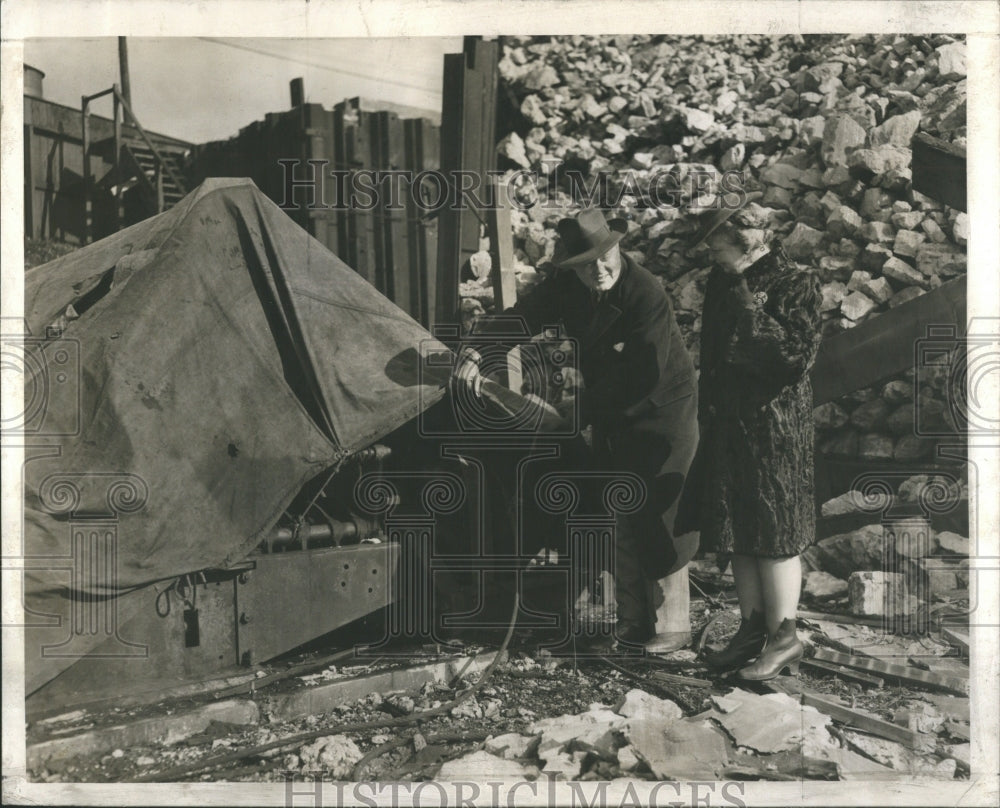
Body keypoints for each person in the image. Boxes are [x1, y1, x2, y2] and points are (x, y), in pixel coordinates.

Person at [453, 208, 699, 648]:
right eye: (585, 266)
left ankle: (671, 625)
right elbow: (524, 315)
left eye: (604, 259)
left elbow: (642, 373)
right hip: (610, 413)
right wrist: (477, 349)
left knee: (662, 513)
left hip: (661, 412)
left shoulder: (645, 293)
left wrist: (578, 409)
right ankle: (629, 619)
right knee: (619, 509)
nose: (597, 270)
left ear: (618, 249)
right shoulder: (568, 286)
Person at [679, 192, 822, 680]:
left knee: (775, 534)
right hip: (729, 425)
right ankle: (752, 628)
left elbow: (790, 358)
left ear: (744, 239)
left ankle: (785, 637)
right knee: (738, 530)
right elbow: (715, 356)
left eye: (717, 245)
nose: (711, 254)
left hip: (775, 431)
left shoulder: (796, 283)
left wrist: (743, 297)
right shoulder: (725, 281)